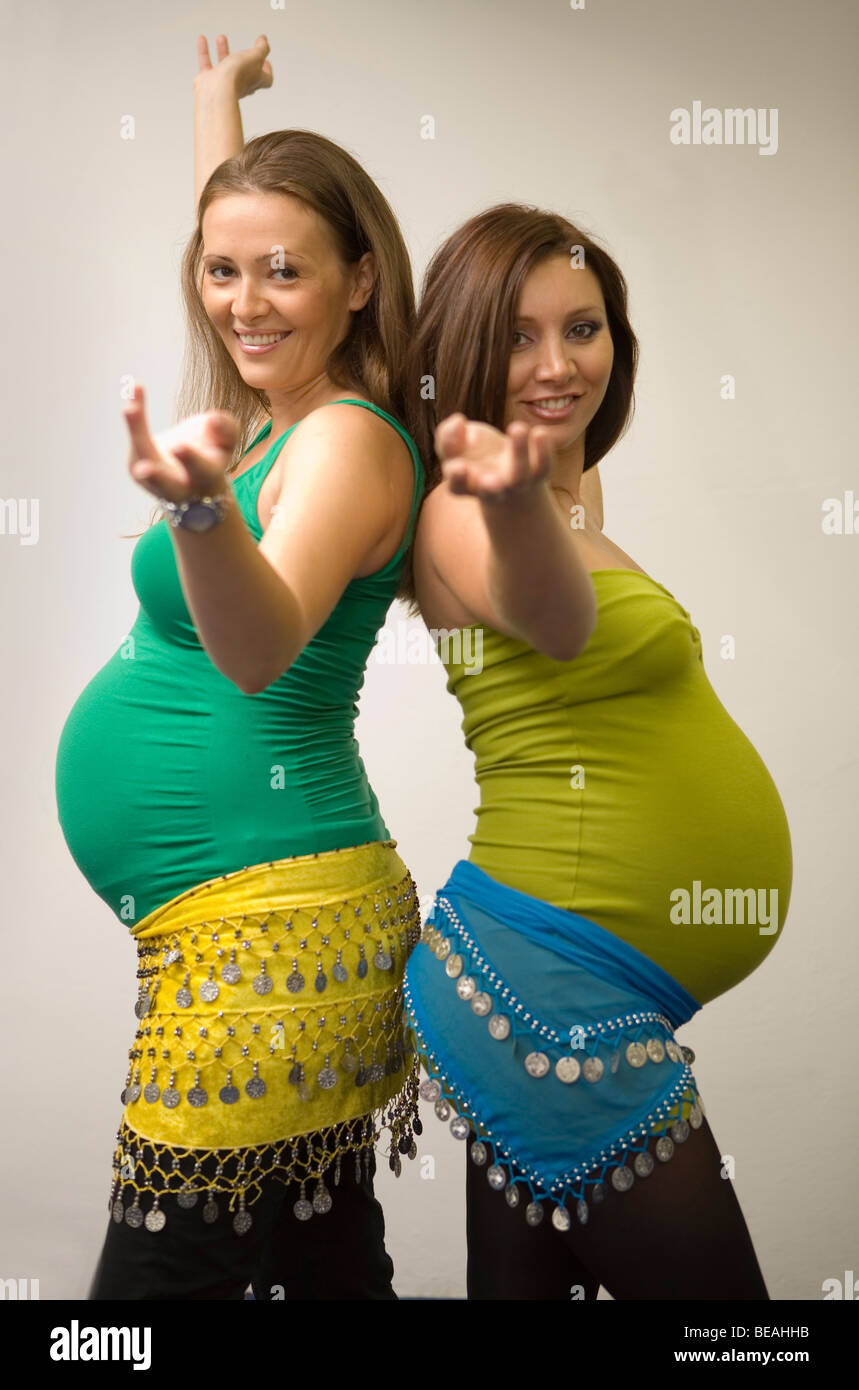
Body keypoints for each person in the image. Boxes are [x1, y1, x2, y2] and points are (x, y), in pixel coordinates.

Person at [54, 34, 425, 1300]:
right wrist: (218, 106)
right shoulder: (278, 411)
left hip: (269, 937)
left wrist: (206, 513)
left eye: (285, 273)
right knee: (315, 1264)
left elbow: (261, 651)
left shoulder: (345, 444)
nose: (244, 299)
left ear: (361, 280)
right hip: (265, 921)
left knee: (152, 1301)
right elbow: (249, 248)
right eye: (219, 272)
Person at [402, 203, 792, 1300]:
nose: (556, 363)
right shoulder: (462, 512)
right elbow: (550, 611)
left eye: (583, 328)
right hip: (548, 992)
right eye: (517, 335)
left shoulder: (571, 495)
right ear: (467, 351)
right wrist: (514, 495)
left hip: (542, 986)